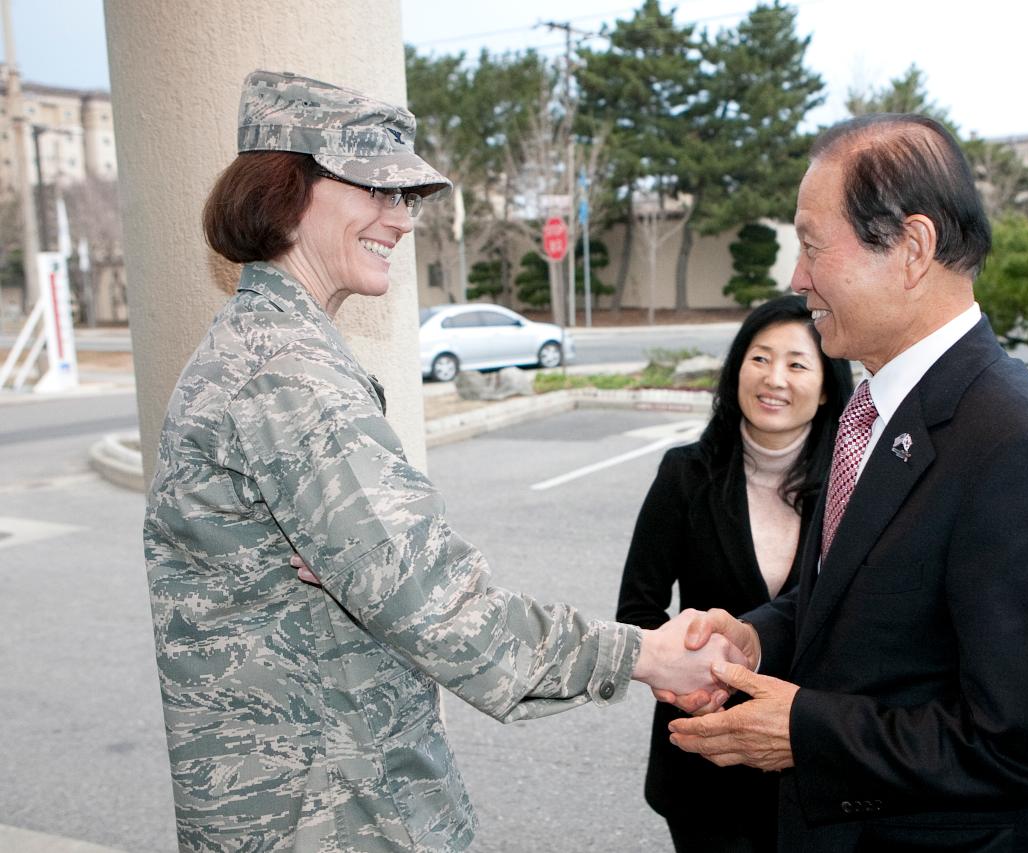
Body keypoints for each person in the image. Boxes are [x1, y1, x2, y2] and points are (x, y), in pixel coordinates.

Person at [143, 70, 743, 853]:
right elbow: (436, 605)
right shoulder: (288, 376)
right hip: (330, 814)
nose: (400, 219)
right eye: (377, 190)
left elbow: (393, 577)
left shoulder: (273, 349)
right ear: (287, 189)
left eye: (407, 198)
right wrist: (643, 653)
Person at [665, 114, 1028, 851]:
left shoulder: (1019, 446)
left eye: (811, 246)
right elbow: (863, 588)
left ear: (911, 248)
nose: (796, 278)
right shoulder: (875, 405)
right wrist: (757, 637)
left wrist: (804, 731)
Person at [617, 295, 853, 852]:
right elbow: (638, 609)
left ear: (824, 388)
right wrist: (683, 681)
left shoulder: (853, 486)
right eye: (760, 358)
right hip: (705, 753)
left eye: (797, 363)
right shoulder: (685, 474)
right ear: (737, 369)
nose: (775, 378)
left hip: (810, 755)